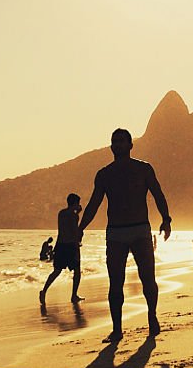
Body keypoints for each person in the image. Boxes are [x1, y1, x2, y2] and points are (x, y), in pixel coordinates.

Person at [79, 128, 172, 343]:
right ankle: (117, 329)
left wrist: (166, 219)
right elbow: (94, 204)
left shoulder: (144, 169)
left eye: (122, 141)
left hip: (140, 230)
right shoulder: (104, 174)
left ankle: (152, 316)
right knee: (116, 282)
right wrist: (81, 227)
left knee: (148, 278)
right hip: (115, 234)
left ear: (131, 145)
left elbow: (158, 194)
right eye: (115, 141)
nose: (118, 144)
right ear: (111, 146)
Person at [40, 193, 84, 306]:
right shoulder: (74, 216)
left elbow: (65, 228)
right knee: (77, 271)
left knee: (57, 271)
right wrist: (78, 244)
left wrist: (76, 213)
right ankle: (74, 295)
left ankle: (44, 291)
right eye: (78, 203)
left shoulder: (61, 213)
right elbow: (74, 231)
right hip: (71, 246)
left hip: (60, 245)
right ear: (75, 203)